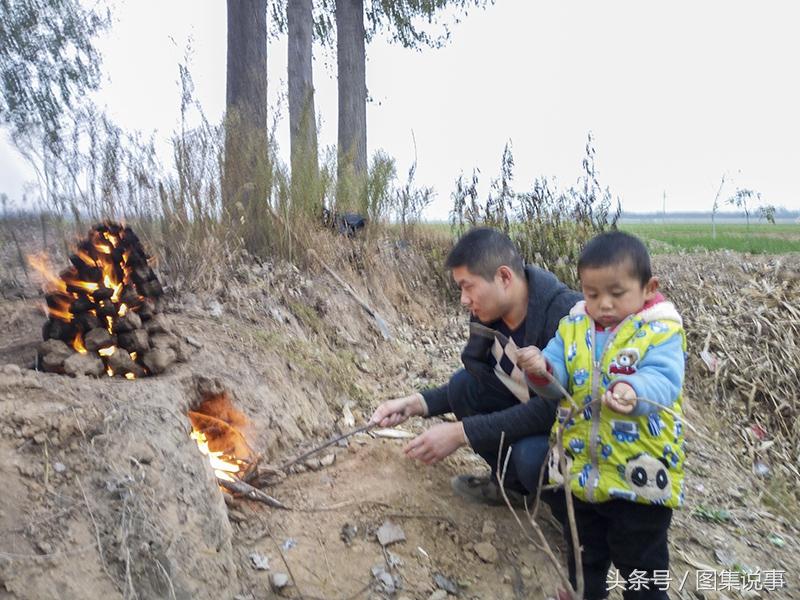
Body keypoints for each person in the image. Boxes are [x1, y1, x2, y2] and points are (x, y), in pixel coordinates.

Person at [520, 231, 686, 600]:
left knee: (642, 572)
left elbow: (665, 379)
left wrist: (636, 390)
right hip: (580, 475)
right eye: (592, 294)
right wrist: (539, 367)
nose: (603, 304)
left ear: (648, 288)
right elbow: (555, 377)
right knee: (584, 561)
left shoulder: (660, 331)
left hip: (638, 484)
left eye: (616, 293)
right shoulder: (573, 327)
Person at [370, 227, 581, 504]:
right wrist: (414, 404)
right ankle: (512, 489)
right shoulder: (490, 319)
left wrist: (461, 433)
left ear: (504, 277)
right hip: (533, 415)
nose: (463, 299)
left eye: (468, 286)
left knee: (531, 456)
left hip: (577, 435)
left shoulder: (568, 316)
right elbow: (484, 381)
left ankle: (579, 528)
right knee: (463, 387)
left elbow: (549, 411)